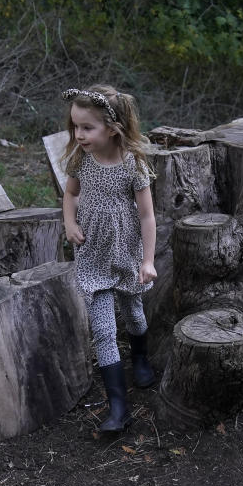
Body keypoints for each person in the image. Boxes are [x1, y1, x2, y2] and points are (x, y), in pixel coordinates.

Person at [60, 85, 157, 432]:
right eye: (75, 126)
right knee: (103, 330)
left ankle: (141, 358)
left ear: (113, 128)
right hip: (92, 254)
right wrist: (70, 222)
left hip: (127, 250)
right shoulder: (80, 159)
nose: (78, 134)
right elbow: (70, 194)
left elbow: (147, 216)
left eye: (87, 128)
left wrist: (147, 260)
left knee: (133, 311)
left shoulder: (133, 164)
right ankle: (118, 406)